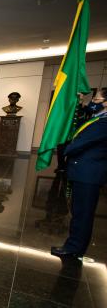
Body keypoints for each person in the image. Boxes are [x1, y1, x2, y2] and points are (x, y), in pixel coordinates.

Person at [51, 89, 107, 260]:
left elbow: (80, 142)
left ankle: (74, 248)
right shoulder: (99, 118)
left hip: (88, 173)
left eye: (96, 99)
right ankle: (75, 246)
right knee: (80, 211)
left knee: (82, 212)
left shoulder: (104, 123)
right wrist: (81, 102)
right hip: (86, 171)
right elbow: (88, 114)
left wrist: (65, 146)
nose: (93, 102)